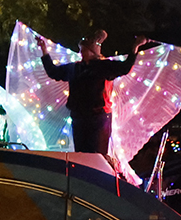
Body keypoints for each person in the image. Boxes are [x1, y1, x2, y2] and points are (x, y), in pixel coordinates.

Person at [37, 29, 147, 157]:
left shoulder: (104, 67)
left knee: (97, 157)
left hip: (98, 119)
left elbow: (125, 67)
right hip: (79, 118)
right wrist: (44, 51)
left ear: (92, 51)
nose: (80, 52)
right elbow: (53, 72)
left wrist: (135, 47)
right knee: (81, 155)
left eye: (83, 49)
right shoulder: (75, 68)